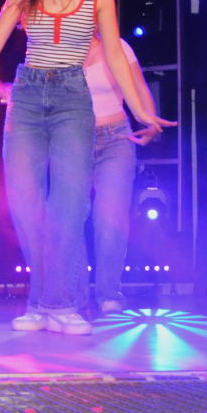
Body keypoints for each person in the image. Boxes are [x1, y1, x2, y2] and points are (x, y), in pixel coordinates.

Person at [0, 0, 172, 334]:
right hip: (28, 94)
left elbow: (116, 55)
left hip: (72, 97)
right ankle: (41, 303)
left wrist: (141, 110)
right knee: (24, 203)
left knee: (68, 205)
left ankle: (59, 305)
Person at [83, 36, 159, 318]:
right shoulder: (63, 46)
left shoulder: (118, 46)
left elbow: (139, 86)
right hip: (73, 139)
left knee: (110, 217)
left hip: (116, 138)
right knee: (70, 215)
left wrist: (151, 122)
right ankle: (72, 296)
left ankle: (109, 294)